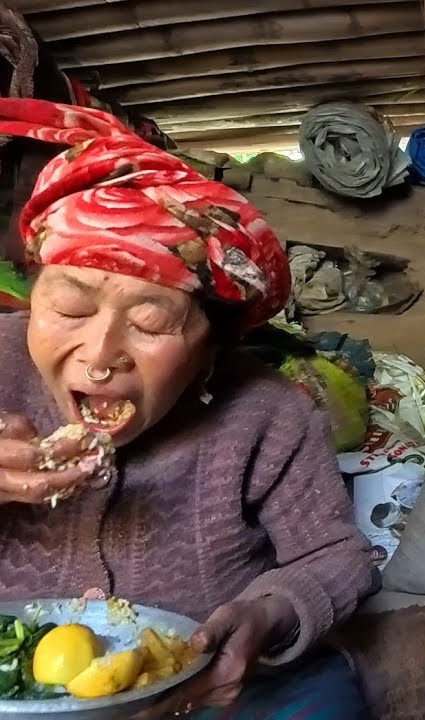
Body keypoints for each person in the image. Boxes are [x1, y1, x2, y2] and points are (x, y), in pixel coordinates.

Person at [0, 99, 380, 718]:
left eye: (151, 323)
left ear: (210, 348)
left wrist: (268, 615)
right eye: (69, 309)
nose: (100, 356)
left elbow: (338, 558)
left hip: (211, 692)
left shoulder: (267, 414)